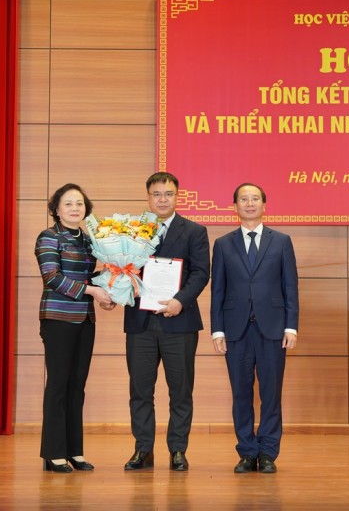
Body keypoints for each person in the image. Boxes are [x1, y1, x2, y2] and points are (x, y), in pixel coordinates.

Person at [123, 171, 210, 472]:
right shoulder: (131, 231)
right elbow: (122, 269)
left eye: (168, 194)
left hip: (180, 322)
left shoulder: (194, 231)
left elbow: (200, 273)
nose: (162, 199)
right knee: (140, 390)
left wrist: (179, 301)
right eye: (157, 194)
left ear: (177, 196)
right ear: (148, 197)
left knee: (181, 390)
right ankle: (143, 450)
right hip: (140, 322)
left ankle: (178, 450)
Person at [210, 182, 299, 474]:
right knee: (241, 394)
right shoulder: (223, 244)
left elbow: (290, 287)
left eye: (255, 199)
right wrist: (217, 330)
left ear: (264, 205)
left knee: (271, 393)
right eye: (243, 199)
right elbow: (218, 291)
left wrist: (291, 327)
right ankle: (247, 452)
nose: (249, 204)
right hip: (236, 331)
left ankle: (269, 452)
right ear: (234, 207)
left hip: (273, 329)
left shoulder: (282, 241)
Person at [35, 183, 115, 473]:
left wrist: (111, 284)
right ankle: (53, 453)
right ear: (56, 209)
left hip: (85, 319)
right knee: (58, 385)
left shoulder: (89, 240)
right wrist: (93, 292)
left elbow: (88, 277)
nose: (74, 208)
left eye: (79, 203)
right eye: (68, 203)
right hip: (57, 319)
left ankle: (74, 451)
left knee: (77, 387)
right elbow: (52, 278)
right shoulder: (48, 237)